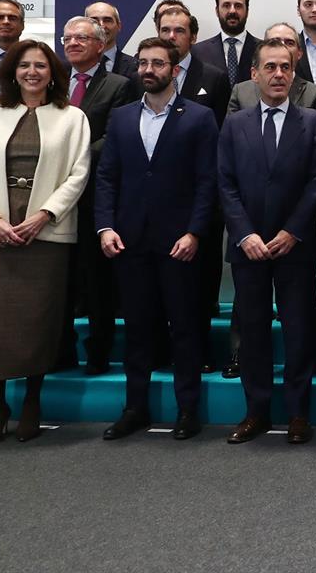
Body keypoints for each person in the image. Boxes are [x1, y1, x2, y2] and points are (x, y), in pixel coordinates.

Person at [0, 40, 90, 445]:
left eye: (41, 66)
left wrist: (44, 215)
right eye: (25, 66)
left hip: (44, 235)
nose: (33, 72)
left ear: (53, 74)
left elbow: (77, 174)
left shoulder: (72, 118)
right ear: (13, 72)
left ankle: (33, 401)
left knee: (38, 322)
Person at [95, 37, 219, 441]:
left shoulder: (199, 117)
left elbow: (207, 182)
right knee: (137, 329)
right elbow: (107, 177)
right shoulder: (123, 117)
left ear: (174, 68)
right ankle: (135, 408)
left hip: (179, 243)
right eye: (143, 63)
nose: (148, 70)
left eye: (157, 64)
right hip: (129, 241)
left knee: (184, 328)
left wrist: (195, 232)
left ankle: (187, 411)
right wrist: (105, 226)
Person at [218, 38, 316, 445]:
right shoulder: (235, 123)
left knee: (300, 330)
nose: (279, 74)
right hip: (248, 247)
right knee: (252, 330)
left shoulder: (314, 122)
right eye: (270, 67)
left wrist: (292, 231)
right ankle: (257, 412)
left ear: (294, 72)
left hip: (295, 246)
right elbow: (225, 182)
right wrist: (245, 233)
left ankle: (299, 413)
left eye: (285, 67)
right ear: (255, 74)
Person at [60, 16, 136, 374]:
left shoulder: (119, 85)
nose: (73, 43)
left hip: (95, 196)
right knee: (59, 280)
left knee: (97, 281)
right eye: (68, 38)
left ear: (100, 44)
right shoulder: (53, 84)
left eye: (82, 38)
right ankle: (61, 350)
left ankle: (98, 351)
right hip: (54, 198)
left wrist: (71, 159)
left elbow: (116, 136)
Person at [156, 4, 230, 370]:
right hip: (158, 200)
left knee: (201, 283)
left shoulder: (213, 78)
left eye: (179, 31)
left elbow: (222, 141)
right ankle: (160, 351)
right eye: (166, 30)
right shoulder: (147, 75)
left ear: (193, 37)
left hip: (202, 197)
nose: (172, 36)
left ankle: (198, 352)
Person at [194, 0, 259, 85]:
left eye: (238, 6)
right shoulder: (198, 52)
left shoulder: (263, 49)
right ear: (217, 11)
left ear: (247, 11)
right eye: (226, 5)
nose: (232, 11)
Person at [85, 0, 137, 76]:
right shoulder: (72, 66)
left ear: (119, 26)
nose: (101, 26)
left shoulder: (135, 66)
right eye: (94, 21)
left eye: (107, 20)